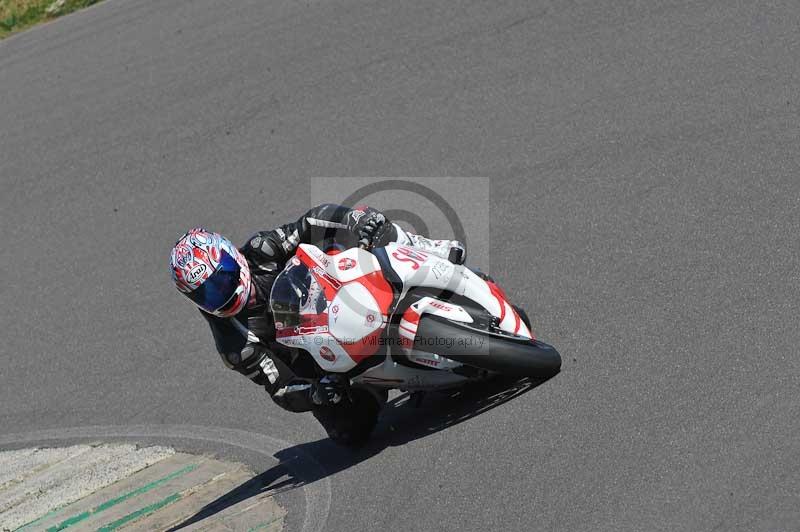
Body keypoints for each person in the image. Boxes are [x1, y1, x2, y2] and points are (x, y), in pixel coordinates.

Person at [169, 204, 465, 446]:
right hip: (324, 357)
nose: (221, 293)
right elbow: (281, 388)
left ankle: (429, 251)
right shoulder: (235, 345)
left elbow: (311, 221)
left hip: (342, 289)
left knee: (374, 229)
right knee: (349, 434)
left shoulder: (263, 250)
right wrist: (315, 392)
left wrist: (354, 218)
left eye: (221, 278)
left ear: (232, 255)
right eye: (206, 293)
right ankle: (382, 378)